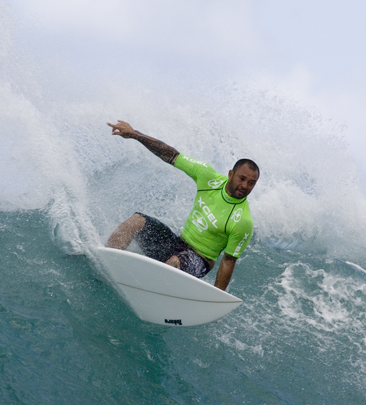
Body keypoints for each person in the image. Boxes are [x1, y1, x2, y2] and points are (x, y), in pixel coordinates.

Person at [105, 120, 259, 291]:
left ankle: (150, 294)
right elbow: (171, 155)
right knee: (136, 220)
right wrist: (134, 134)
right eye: (242, 179)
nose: (245, 186)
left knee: (174, 263)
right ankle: (107, 261)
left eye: (251, 183)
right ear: (231, 174)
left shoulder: (243, 221)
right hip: (177, 244)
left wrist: (215, 298)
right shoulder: (208, 177)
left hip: (199, 261)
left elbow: (228, 262)